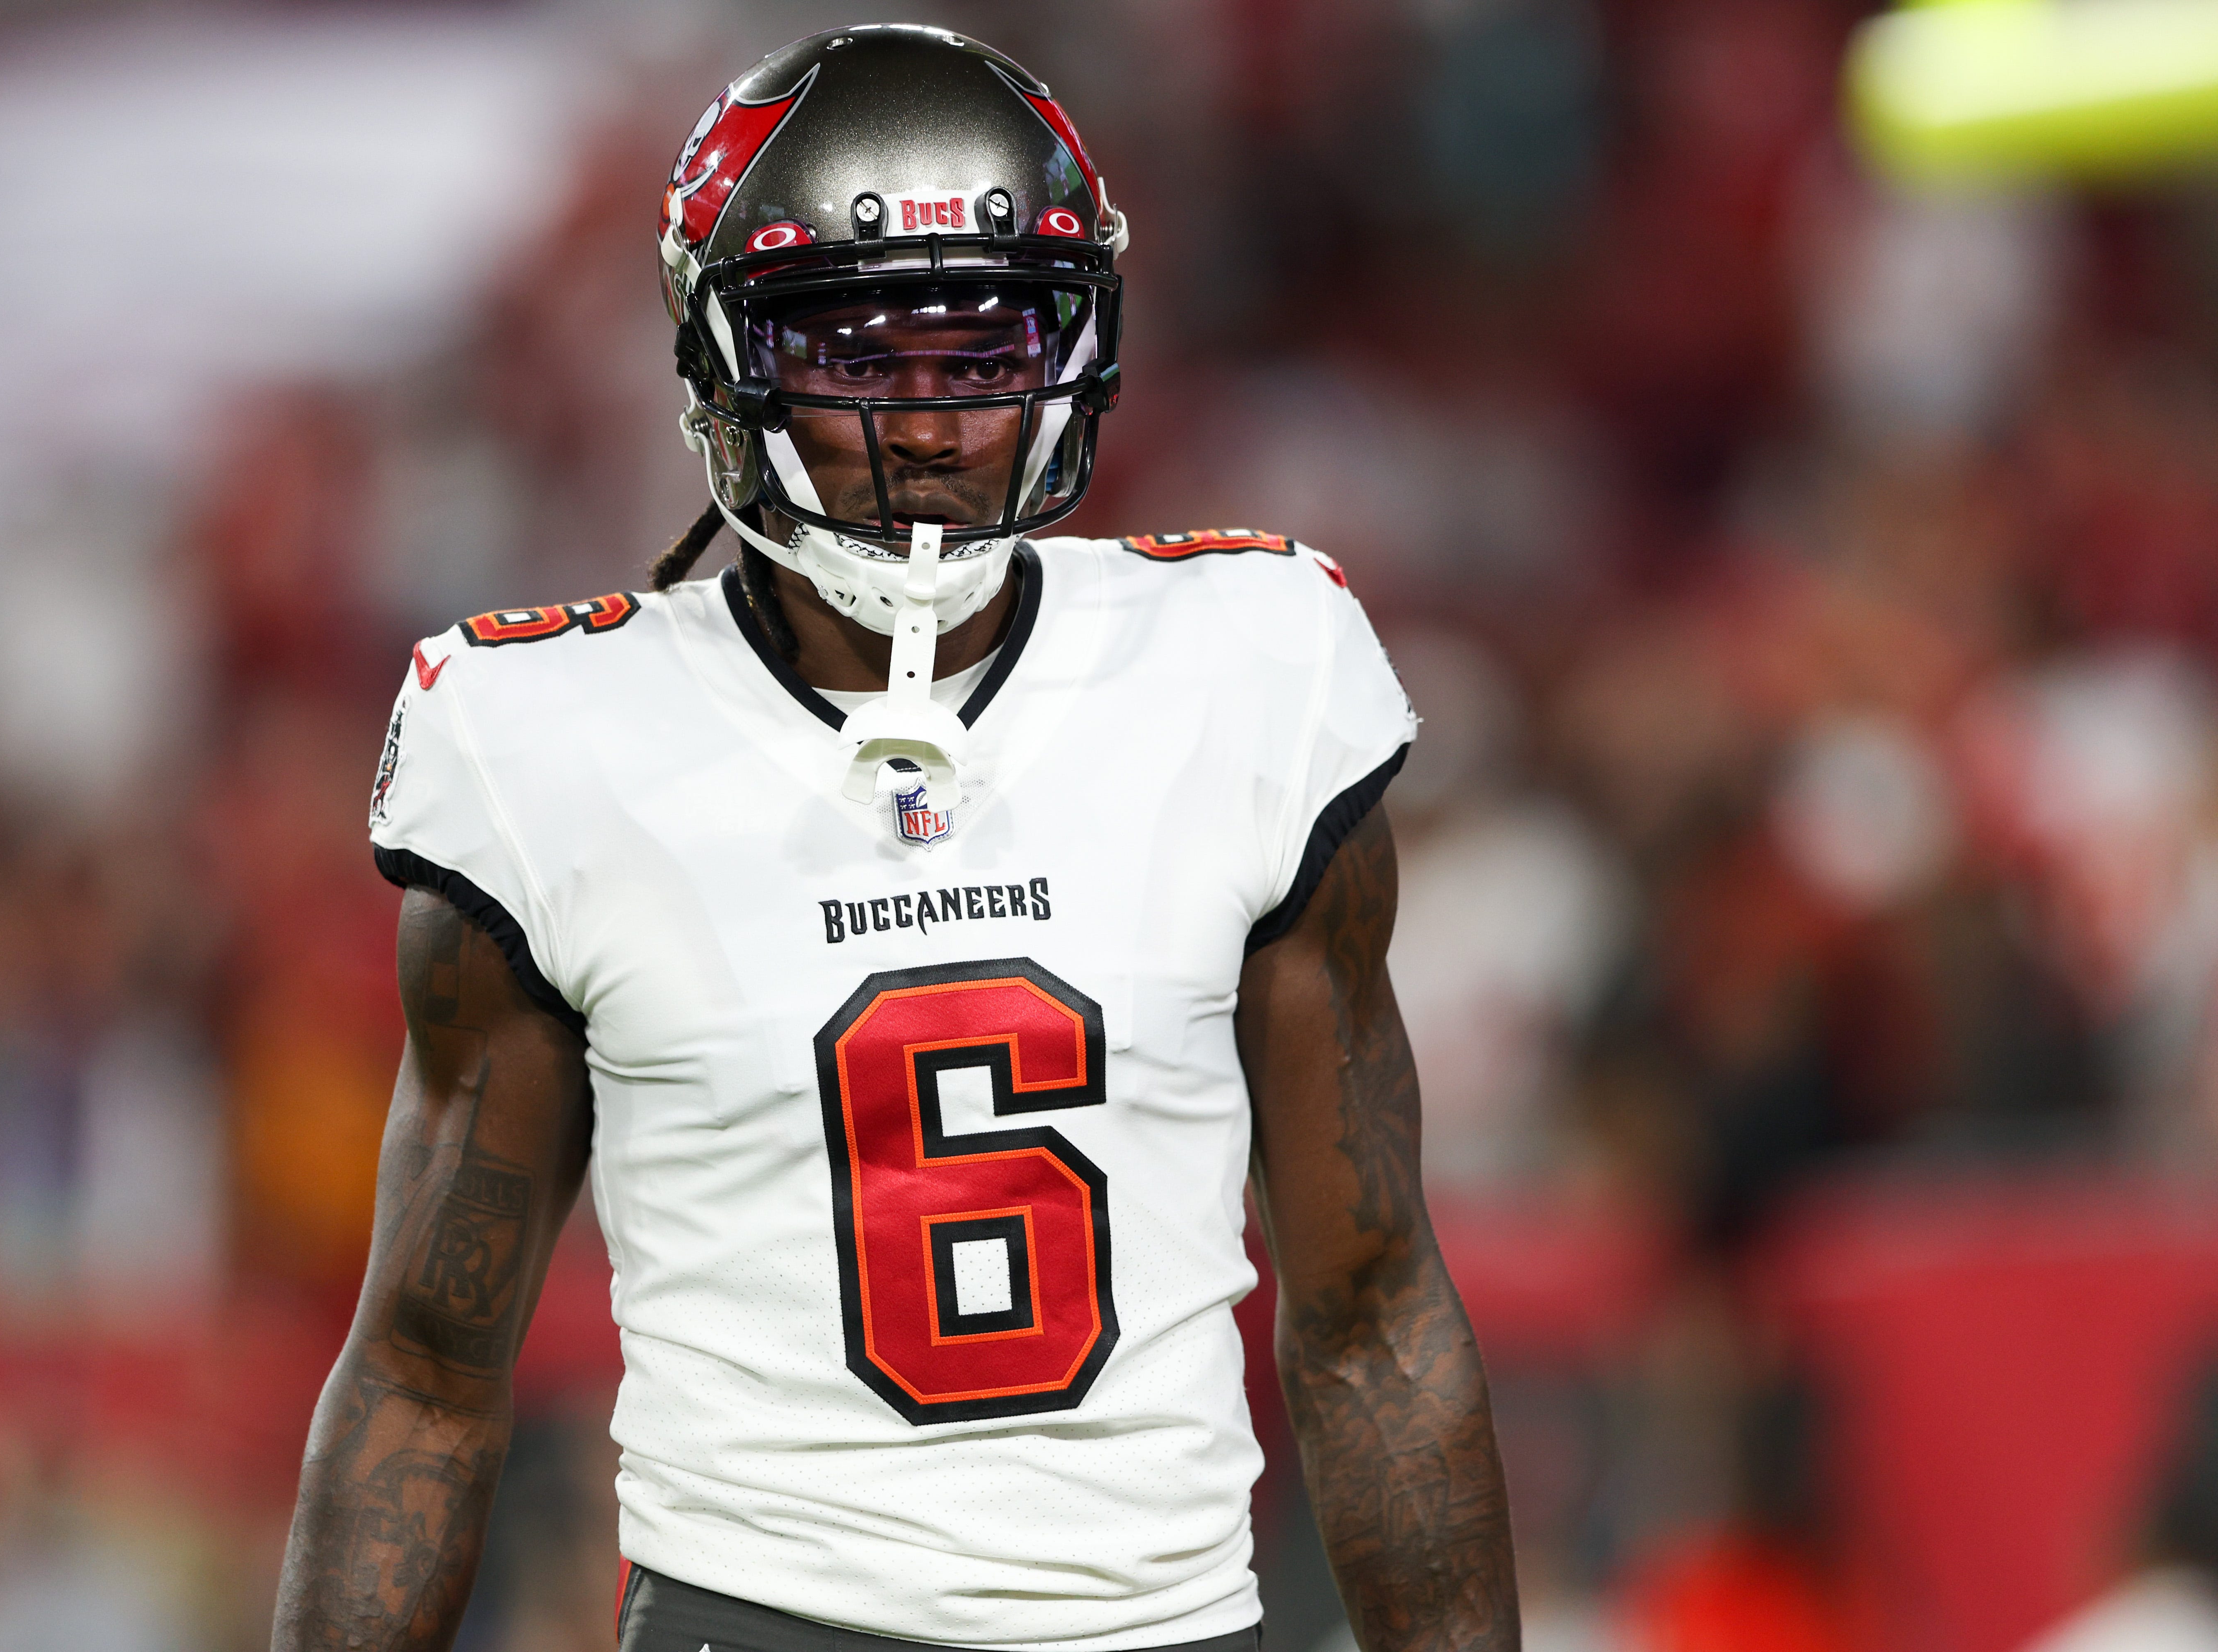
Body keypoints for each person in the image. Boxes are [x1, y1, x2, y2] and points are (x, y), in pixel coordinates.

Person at [272, 23, 1517, 1652]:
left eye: (984, 355)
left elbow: (1371, 1313)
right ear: (725, 359)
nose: (927, 428)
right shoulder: (550, 745)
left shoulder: (1250, 666)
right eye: (859, 356)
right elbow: (428, 1371)